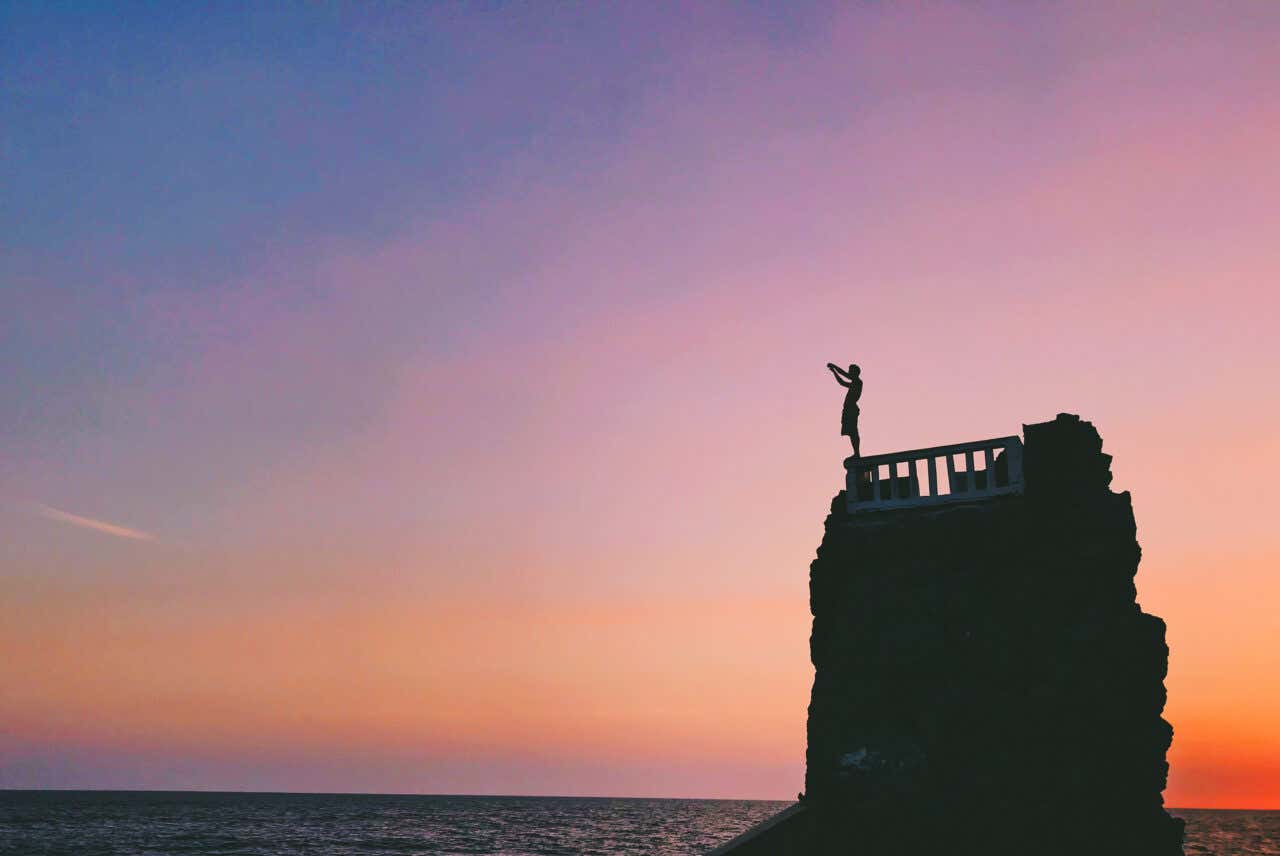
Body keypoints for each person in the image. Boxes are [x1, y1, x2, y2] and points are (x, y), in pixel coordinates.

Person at [827, 362, 862, 456]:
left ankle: (857, 453)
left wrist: (834, 368)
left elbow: (843, 378)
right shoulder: (855, 382)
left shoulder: (858, 382)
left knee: (853, 432)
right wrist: (834, 370)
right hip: (849, 409)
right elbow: (842, 379)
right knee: (851, 432)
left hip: (851, 409)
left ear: (855, 373)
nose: (849, 373)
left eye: (850, 371)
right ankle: (856, 453)